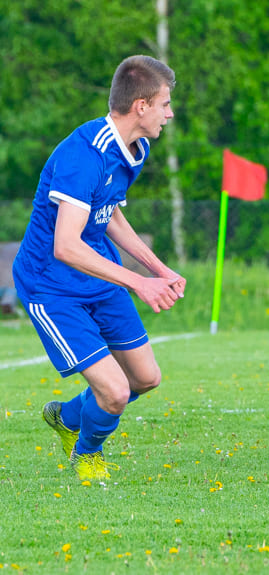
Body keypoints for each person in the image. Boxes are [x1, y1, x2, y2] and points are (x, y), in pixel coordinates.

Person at [13, 55, 184, 482]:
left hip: (98, 276)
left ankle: (69, 417)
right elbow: (66, 246)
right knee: (115, 391)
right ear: (141, 106)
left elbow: (110, 216)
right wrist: (139, 282)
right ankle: (87, 455)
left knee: (145, 378)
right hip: (51, 286)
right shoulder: (83, 156)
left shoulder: (135, 148)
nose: (170, 113)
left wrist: (158, 268)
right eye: (165, 104)